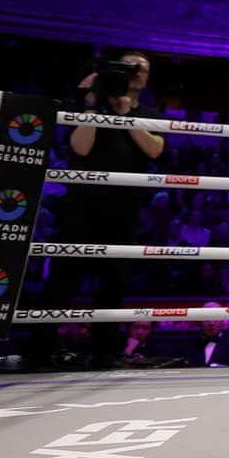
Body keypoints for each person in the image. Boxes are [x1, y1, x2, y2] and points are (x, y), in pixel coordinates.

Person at [34, 50, 166, 368]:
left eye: (142, 69)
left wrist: (125, 113)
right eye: (129, 67)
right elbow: (81, 147)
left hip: (125, 208)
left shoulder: (148, 111)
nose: (135, 73)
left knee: (114, 283)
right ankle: (40, 349)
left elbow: (155, 149)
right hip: (81, 205)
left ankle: (105, 351)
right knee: (63, 279)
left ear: (147, 78)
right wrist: (95, 104)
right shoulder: (89, 103)